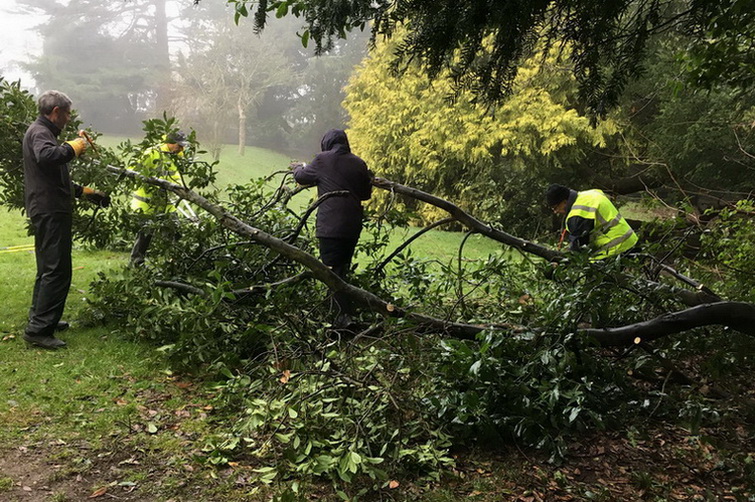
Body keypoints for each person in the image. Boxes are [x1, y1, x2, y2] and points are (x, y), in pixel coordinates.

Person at [22, 90, 110, 350]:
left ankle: (39, 317)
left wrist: (85, 193)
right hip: (50, 209)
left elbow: (52, 175)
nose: (69, 118)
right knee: (57, 269)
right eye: (68, 113)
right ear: (56, 112)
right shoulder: (40, 132)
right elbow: (47, 157)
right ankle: (39, 330)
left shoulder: (42, 132)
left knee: (47, 267)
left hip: (46, 206)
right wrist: (72, 147)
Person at [293, 129, 373, 325]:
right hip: (352, 226)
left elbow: (301, 177)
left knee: (331, 274)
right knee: (341, 270)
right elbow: (365, 194)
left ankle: (342, 319)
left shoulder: (322, 159)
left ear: (326, 144)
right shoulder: (359, 163)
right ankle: (342, 315)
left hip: (330, 226)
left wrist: (297, 167)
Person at [129, 131, 189, 266]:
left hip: (168, 204)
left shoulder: (177, 155)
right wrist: (156, 184)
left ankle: (174, 262)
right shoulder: (152, 153)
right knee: (145, 235)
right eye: (179, 145)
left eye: (183, 146)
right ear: (170, 142)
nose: (181, 149)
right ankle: (136, 263)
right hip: (147, 204)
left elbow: (176, 175)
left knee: (175, 233)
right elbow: (135, 173)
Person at [546, 184, 638, 260]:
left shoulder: (577, 214)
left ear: (564, 202)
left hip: (615, 248)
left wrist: (562, 261)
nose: (555, 212)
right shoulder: (589, 194)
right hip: (630, 240)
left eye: (555, 207)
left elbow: (578, 248)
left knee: (591, 272)